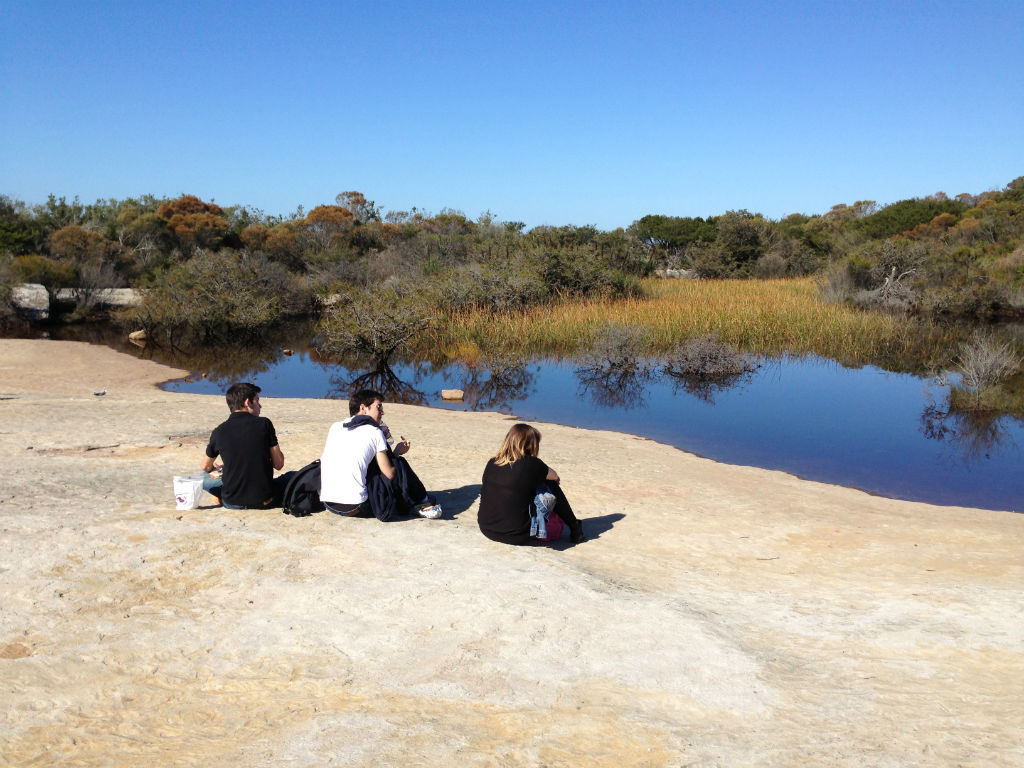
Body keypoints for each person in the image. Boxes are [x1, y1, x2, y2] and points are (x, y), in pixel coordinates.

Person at [319, 389, 442, 520]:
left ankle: (419, 498)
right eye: (378, 407)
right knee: (399, 463)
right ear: (363, 408)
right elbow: (389, 473)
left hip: (329, 503)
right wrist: (396, 455)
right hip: (355, 507)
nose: (382, 412)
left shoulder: (336, 427)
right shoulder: (374, 431)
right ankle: (423, 499)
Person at [478, 423, 585, 545]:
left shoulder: (492, 462)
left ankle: (573, 525)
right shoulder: (532, 464)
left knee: (530, 482)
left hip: (486, 529)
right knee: (549, 483)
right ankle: (574, 526)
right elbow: (554, 476)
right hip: (516, 535)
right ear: (531, 445)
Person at [201, 382, 294, 509]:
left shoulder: (219, 431)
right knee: (293, 476)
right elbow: (279, 464)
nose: (260, 406)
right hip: (265, 501)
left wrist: (222, 468)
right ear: (247, 402)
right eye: (257, 401)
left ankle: (221, 494)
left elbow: (205, 466)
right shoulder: (264, 424)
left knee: (204, 477)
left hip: (232, 503)